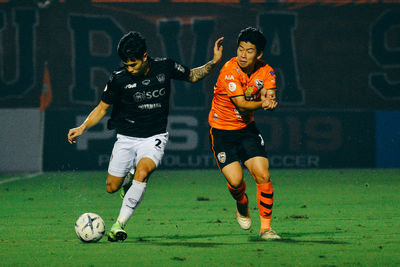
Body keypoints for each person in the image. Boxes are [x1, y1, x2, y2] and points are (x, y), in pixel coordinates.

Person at [68, 31, 224, 242]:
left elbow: (194, 76)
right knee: (111, 188)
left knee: (143, 171)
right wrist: (83, 127)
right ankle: (127, 182)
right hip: (126, 137)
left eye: (133, 64)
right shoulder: (119, 78)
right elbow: (102, 108)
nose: (129, 69)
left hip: (155, 136)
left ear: (144, 56)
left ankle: (119, 225)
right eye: (126, 64)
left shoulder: (165, 66)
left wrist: (214, 61)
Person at [208, 27, 280, 240]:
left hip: (247, 131)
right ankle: (242, 203)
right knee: (236, 182)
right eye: (240, 49)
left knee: (263, 175)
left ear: (259, 55)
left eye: (249, 51)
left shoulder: (267, 71)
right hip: (222, 132)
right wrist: (264, 103)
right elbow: (241, 104)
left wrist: (271, 100)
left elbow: (270, 91)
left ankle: (266, 229)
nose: (242, 55)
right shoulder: (229, 70)